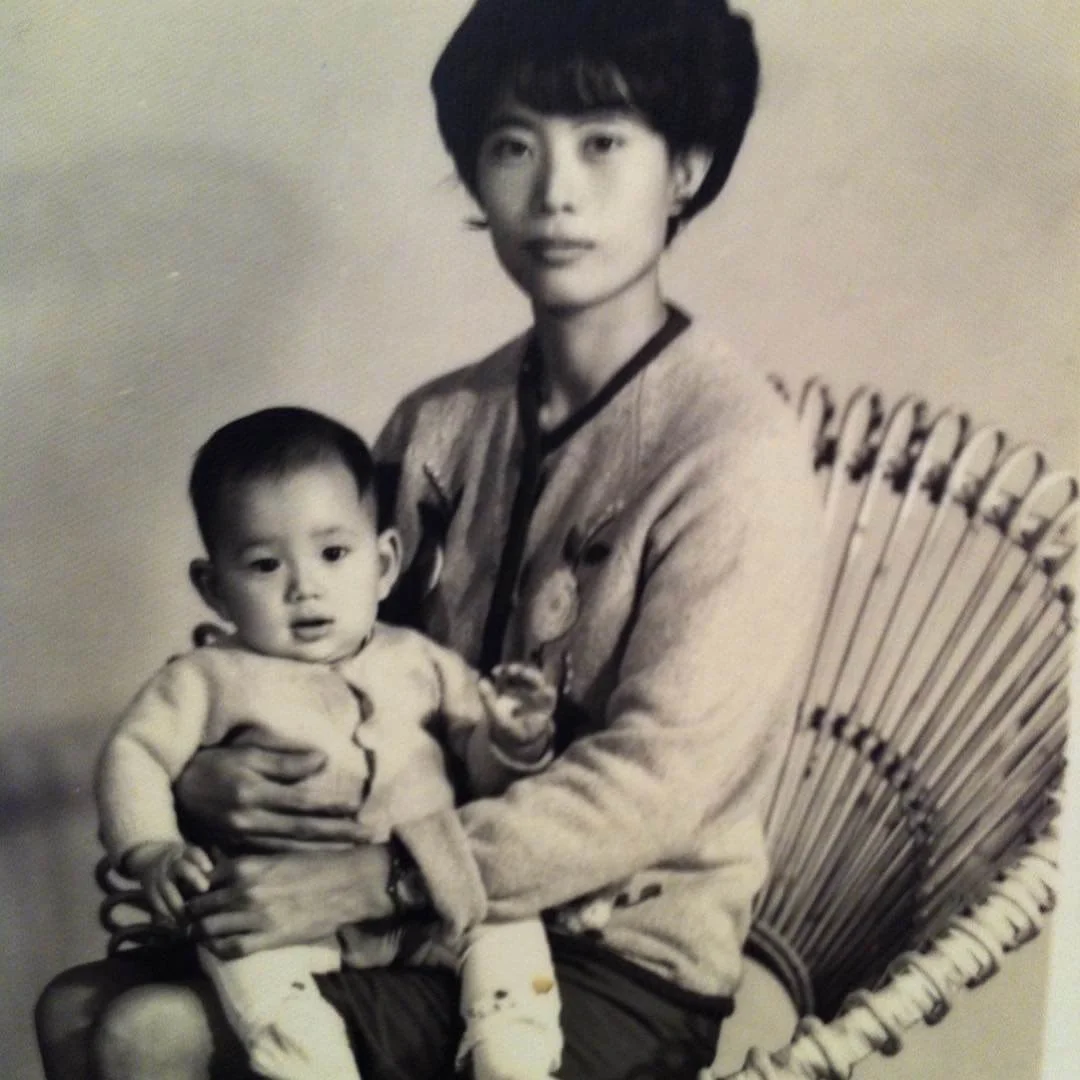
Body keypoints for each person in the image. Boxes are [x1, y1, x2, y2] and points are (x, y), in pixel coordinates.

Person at [36, 2, 826, 1078]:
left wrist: (381, 879)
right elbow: (327, 656)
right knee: (73, 1012)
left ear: (684, 169)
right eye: (513, 146)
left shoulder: (734, 455)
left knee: (145, 1037)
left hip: (609, 954)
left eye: (603, 142)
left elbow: (652, 786)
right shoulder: (441, 421)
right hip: (399, 915)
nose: (554, 192)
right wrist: (207, 778)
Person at [90, 406, 564, 1080]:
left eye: (334, 554)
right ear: (214, 588)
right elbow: (133, 755)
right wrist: (152, 849)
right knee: (258, 979)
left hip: (424, 904)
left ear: (384, 563)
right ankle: (310, 1063)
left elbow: (478, 769)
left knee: (506, 930)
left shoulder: (420, 661)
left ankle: (512, 1056)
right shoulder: (206, 677)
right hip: (283, 916)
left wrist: (511, 740)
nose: (304, 587)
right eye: (263, 565)